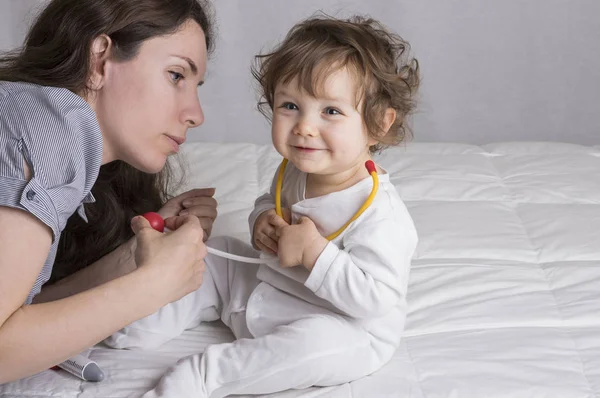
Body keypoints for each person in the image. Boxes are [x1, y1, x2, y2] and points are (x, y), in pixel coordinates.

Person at [107, 14, 420, 398]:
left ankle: (204, 376)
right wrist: (262, 221)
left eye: (331, 111)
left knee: (320, 344)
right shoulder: (295, 167)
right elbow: (266, 201)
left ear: (378, 125)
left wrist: (315, 255)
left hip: (338, 320)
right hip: (267, 287)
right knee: (215, 252)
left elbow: (375, 299)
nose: (304, 126)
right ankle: (130, 322)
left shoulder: (380, 215)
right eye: (290, 105)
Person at [0, 0, 218, 383]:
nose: (196, 113)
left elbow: (19, 316)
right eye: (176, 75)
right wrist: (152, 286)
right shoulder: (50, 124)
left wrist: (136, 254)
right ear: (100, 59)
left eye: (196, 87)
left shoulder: (37, 122)